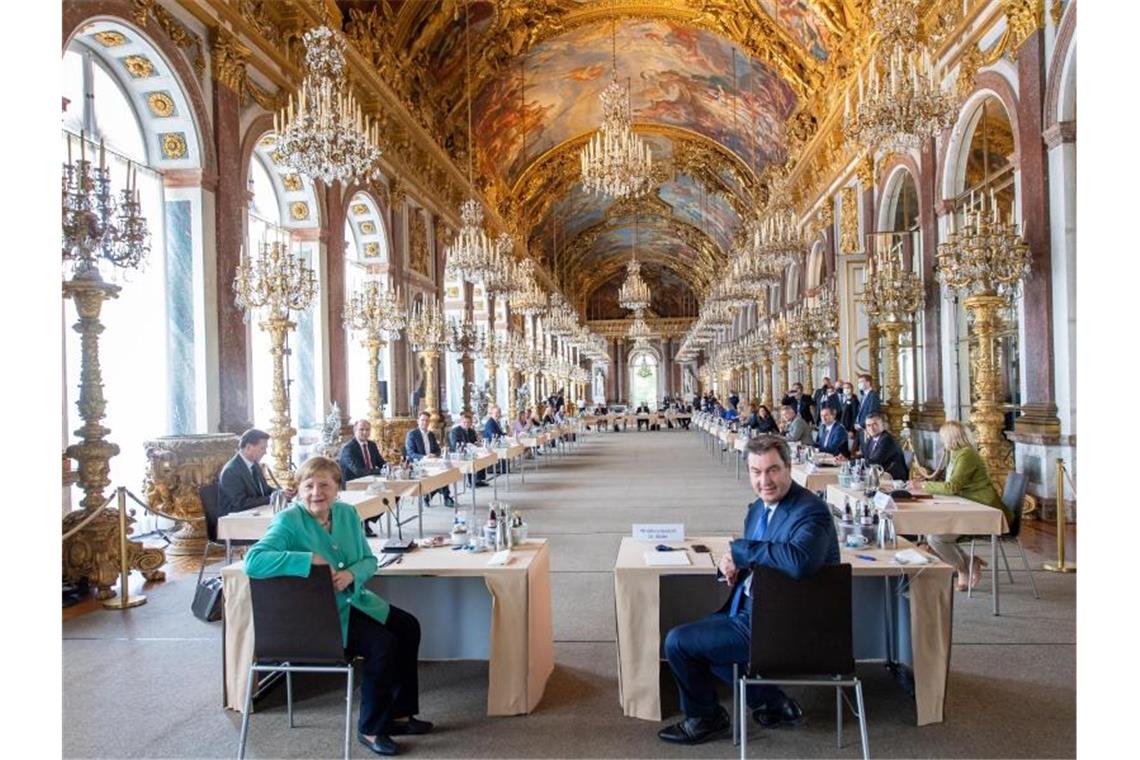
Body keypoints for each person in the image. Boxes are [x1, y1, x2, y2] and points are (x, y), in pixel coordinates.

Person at [244, 456, 432, 756]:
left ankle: (399, 713)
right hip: (319, 615)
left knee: (408, 627)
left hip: (354, 600)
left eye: (324, 486)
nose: (316, 492)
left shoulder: (346, 514)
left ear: (337, 490)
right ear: (298, 489)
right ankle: (371, 728)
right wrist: (307, 560)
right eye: (309, 486)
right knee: (382, 645)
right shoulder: (288, 521)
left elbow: (369, 560)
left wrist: (351, 574)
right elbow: (253, 562)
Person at [658, 435, 839, 745]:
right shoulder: (757, 509)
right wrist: (734, 564)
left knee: (678, 643)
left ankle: (705, 719)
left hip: (783, 623)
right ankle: (775, 703)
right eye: (756, 471)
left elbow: (797, 561)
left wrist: (741, 551)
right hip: (751, 609)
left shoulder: (812, 512)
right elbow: (762, 554)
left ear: (788, 468)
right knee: (702, 642)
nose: (763, 480)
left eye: (772, 470)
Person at [908, 420, 1009, 591]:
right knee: (932, 529)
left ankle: (963, 568)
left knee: (936, 537)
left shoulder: (967, 455)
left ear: (950, 437)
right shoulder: (956, 454)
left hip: (983, 508)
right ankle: (969, 562)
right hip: (967, 504)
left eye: (943, 438)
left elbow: (952, 487)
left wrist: (923, 486)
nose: (942, 441)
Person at [218, 428, 280, 517]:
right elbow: (241, 503)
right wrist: (271, 498)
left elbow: (264, 489)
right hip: (236, 519)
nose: (265, 452)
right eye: (262, 448)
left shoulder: (254, 464)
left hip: (255, 512)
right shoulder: (231, 471)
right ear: (248, 447)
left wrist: (280, 493)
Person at [403, 411, 455, 508]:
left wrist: (433, 454)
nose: (425, 423)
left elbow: (438, 450)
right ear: (418, 421)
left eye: (427, 421)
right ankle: (445, 497)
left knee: (444, 472)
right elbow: (410, 453)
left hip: (432, 462)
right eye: (422, 420)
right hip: (418, 464)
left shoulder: (431, 434)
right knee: (437, 475)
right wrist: (424, 457)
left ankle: (432, 496)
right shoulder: (412, 434)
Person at [859, 412, 909, 481]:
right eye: (868, 425)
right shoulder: (871, 439)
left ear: (882, 425)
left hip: (894, 479)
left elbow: (875, 462)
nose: (871, 428)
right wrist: (846, 460)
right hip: (878, 476)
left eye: (875, 424)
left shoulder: (887, 439)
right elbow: (865, 457)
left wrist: (858, 463)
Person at [338, 419, 386, 487]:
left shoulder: (372, 445)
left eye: (367, 429)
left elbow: (381, 462)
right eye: (361, 429)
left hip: (371, 481)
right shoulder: (348, 448)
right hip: (353, 485)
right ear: (355, 431)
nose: (365, 432)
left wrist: (390, 467)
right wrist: (381, 471)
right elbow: (358, 471)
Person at [449, 411, 487, 488]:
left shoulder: (471, 431)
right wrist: (467, 445)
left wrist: (477, 443)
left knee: (482, 456)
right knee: (470, 460)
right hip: (459, 453)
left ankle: (479, 479)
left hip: (471, 451)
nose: (466, 424)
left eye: (468, 422)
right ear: (461, 422)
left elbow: (474, 441)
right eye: (464, 422)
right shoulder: (455, 431)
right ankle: (471, 481)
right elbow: (455, 444)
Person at [854, 374, 881, 453]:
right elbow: (860, 411)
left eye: (861, 382)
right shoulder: (864, 395)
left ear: (868, 383)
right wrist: (856, 423)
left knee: (868, 451)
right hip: (861, 428)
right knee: (863, 450)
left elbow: (872, 412)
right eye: (858, 382)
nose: (859, 384)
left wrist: (861, 424)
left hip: (868, 428)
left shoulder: (873, 395)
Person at [483, 405, 509, 474]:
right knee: (504, 449)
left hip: (496, 443)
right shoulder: (490, 423)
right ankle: (497, 469)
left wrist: (506, 436)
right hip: (491, 444)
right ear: (492, 413)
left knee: (507, 448)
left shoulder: (496, 422)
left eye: (499, 412)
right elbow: (493, 435)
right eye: (496, 413)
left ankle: (504, 468)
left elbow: (500, 433)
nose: (498, 414)